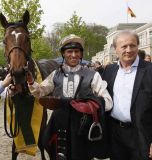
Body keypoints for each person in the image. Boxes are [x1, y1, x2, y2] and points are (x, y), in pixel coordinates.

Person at [26, 34, 112, 160]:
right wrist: (31, 81)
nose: (73, 55)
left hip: (82, 126)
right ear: (63, 54)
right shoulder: (55, 74)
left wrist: (87, 105)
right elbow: (39, 92)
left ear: (81, 54)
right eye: (69, 51)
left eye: (76, 51)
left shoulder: (92, 75)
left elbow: (108, 102)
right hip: (59, 126)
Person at [102, 30, 152, 160]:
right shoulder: (109, 71)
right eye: (124, 46)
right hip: (115, 134)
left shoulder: (149, 70)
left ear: (138, 46)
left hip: (143, 135)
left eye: (133, 45)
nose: (129, 50)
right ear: (115, 49)